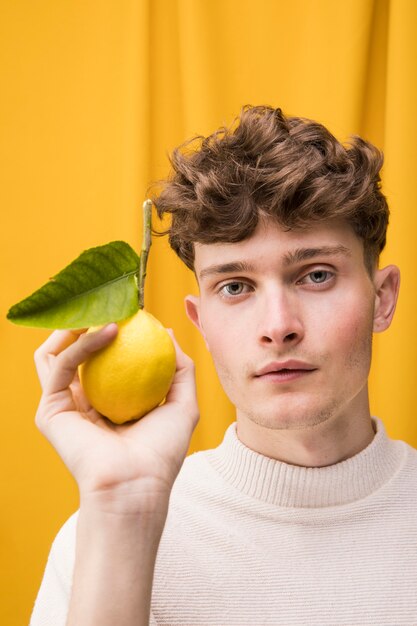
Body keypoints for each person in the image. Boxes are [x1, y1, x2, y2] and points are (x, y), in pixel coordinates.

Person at [30, 106, 417, 626]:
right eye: (235, 287)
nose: (278, 326)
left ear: (383, 298)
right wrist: (122, 512)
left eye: (316, 275)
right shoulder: (100, 536)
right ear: (201, 323)